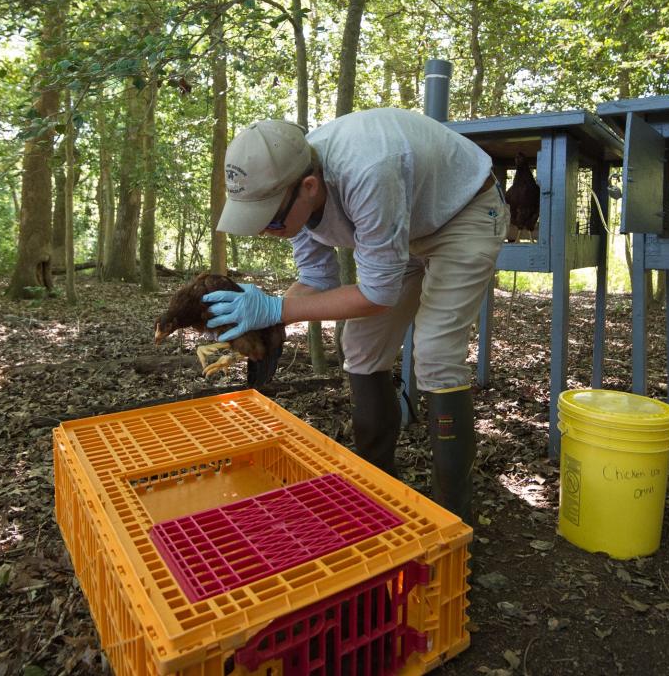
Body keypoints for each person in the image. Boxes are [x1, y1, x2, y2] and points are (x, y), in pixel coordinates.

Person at [205, 108, 507, 523]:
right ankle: (380, 496)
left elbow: (378, 294)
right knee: (361, 347)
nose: (265, 231)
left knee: (436, 351)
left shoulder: (367, 171)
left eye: (271, 219)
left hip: (464, 211)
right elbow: (315, 279)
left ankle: (454, 520)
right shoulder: (299, 189)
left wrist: (279, 307)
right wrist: (267, 322)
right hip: (404, 225)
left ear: (308, 187)